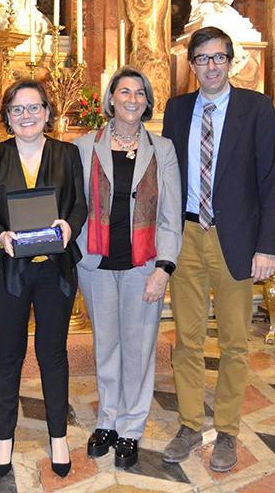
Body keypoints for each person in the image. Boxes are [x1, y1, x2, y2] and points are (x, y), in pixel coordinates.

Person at [161, 27, 275, 473]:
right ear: (191, 65)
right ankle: (191, 424)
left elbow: (272, 180)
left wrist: (267, 246)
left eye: (218, 58)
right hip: (188, 237)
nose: (210, 66)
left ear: (232, 62)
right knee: (187, 341)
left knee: (234, 342)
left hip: (237, 241)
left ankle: (227, 430)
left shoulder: (256, 108)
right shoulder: (176, 110)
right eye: (201, 59)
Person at [0, 80, 87, 479]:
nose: (27, 116)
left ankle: (58, 433)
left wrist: (69, 227)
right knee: (8, 353)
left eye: (34, 107)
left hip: (55, 269)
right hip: (9, 269)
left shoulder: (67, 153)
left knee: (53, 353)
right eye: (17, 109)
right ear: (7, 116)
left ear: (47, 112)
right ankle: (5, 435)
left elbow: (79, 206)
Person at [73, 67, 182, 468]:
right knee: (106, 346)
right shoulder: (85, 146)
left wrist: (163, 268)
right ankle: (108, 420)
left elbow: (170, 214)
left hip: (144, 264)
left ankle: (132, 427)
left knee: (138, 349)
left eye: (140, 92)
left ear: (147, 101)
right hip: (97, 262)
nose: (132, 98)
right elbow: (73, 205)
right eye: (124, 91)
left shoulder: (162, 149)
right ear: (111, 99)